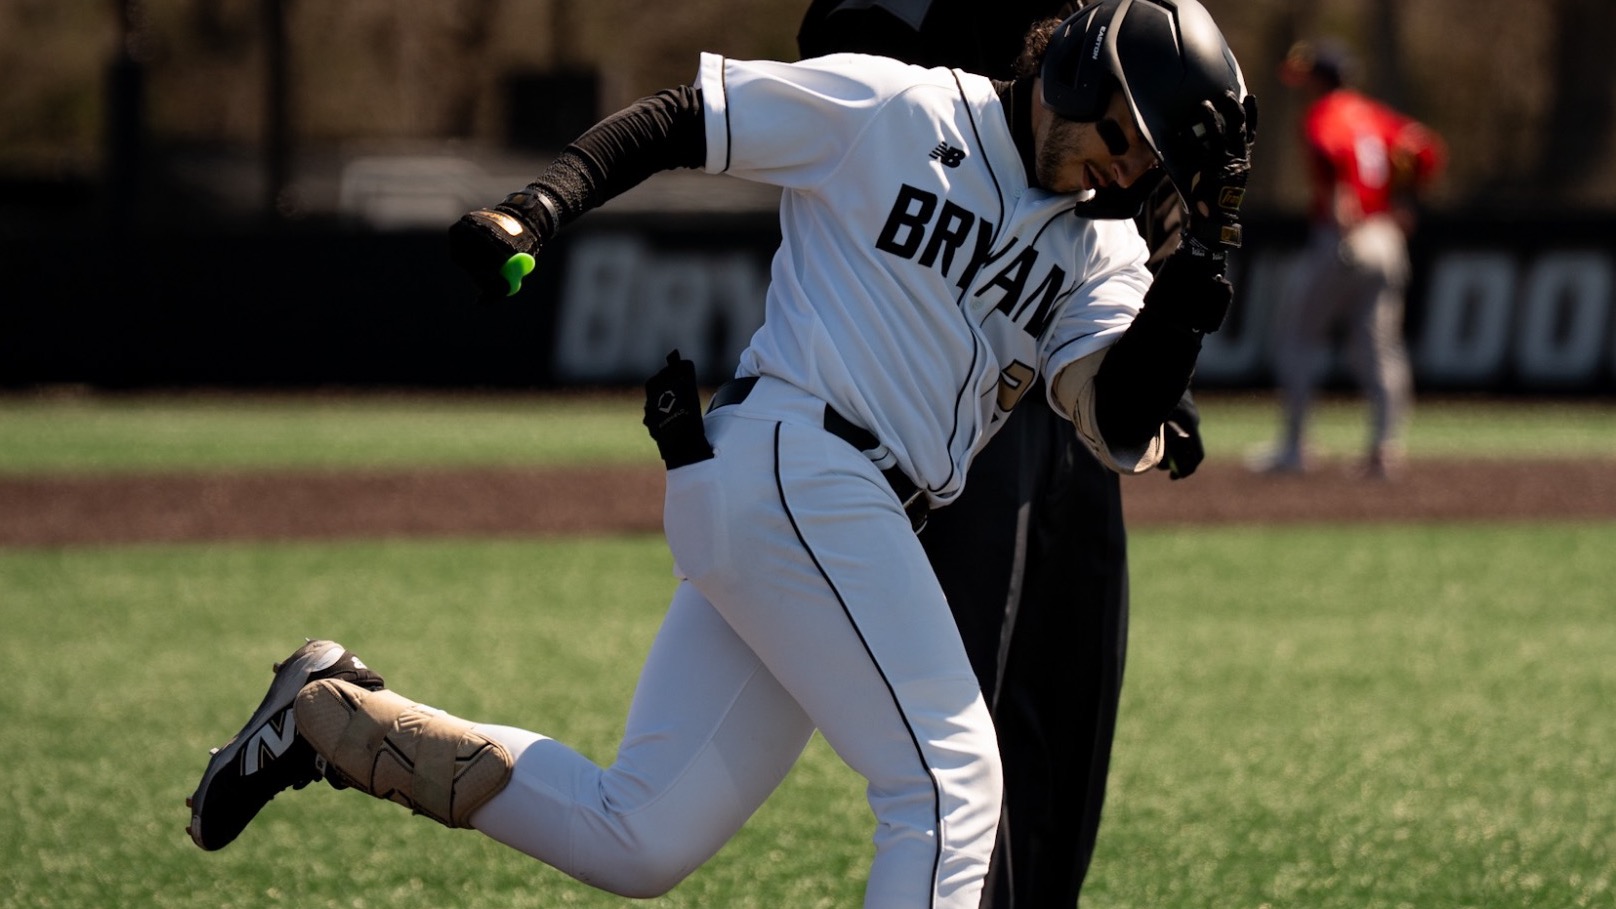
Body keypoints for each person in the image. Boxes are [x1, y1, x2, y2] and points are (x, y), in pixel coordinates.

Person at [185, 4, 1255, 907]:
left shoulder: (1103, 251)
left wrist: (1194, 279)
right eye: (1126, 136)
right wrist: (539, 206)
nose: (1127, 170)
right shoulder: (902, 106)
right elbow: (684, 120)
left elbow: (1115, 423)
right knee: (952, 780)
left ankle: (327, 718)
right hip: (796, 461)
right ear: (1078, 72)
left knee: (638, 835)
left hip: (819, 516)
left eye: (1151, 164)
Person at [798, 1, 1207, 906]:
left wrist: (1163, 364)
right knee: (964, 723)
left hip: (1078, 334)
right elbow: (848, 48)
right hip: (959, 358)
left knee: (1068, 693)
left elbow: (1150, 149)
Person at [1254, 38, 1446, 478]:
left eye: (1308, 77)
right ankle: (1385, 450)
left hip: (1344, 235)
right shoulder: (1375, 115)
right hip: (1385, 237)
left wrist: (1342, 202)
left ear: (1320, 79)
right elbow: (1426, 149)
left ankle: (1294, 448)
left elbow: (1330, 154)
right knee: (1379, 347)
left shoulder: (1325, 114)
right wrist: (1406, 201)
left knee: (1298, 337)